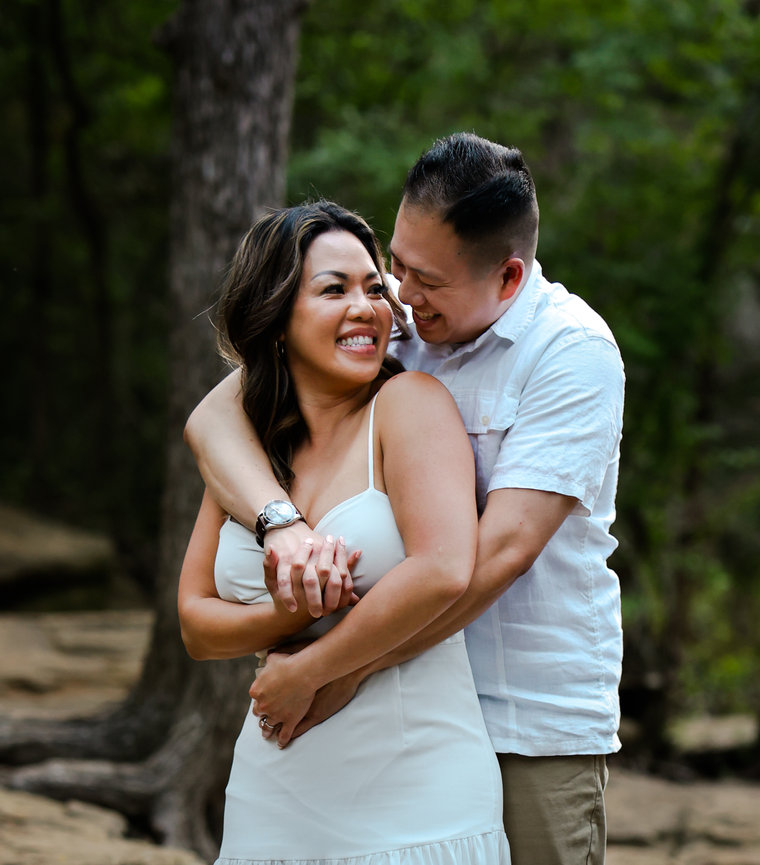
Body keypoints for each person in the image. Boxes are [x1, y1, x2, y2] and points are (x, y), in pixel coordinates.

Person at [186, 133, 626, 865]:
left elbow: (495, 554)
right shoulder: (396, 320)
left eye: (425, 278)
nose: (399, 294)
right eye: (396, 262)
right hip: (377, 713)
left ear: (508, 277)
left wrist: (334, 666)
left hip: (522, 715)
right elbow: (212, 419)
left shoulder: (570, 351)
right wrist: (282, 524)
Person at [177, 200, 511, 865]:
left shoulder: (407, 403)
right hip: (271, 787)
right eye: (334, 290)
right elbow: (194, 622)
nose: (367, 307)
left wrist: (312, 668)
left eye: (373, 287)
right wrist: (288, 612)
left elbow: (444, 565)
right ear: (276, 319)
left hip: (414, 790)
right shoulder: (249, 450)